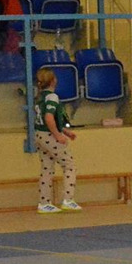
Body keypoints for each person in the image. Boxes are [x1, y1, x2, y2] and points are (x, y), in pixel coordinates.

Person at [33, 67, 79, 214]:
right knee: (69, 165)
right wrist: (58, 135)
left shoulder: (39, 97)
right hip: (49, 135)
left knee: (47, 169)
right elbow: (49, 118)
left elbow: (47, 119)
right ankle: (68, 199)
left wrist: (64, 131)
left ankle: (44, 203)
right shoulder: (52, 97)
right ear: (53, 81)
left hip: (39, 135)